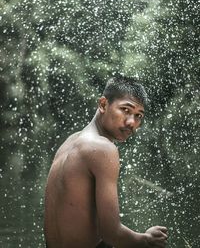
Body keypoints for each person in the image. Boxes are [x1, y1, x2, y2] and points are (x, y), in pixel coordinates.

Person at [44, 76, 168, 248]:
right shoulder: (102, 148)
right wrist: (146, 239)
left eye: (138, 115)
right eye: (125, 110)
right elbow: (111, 233)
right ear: (103, 104)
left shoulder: (70, 141)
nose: (132, 122)